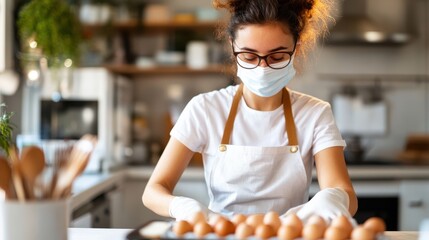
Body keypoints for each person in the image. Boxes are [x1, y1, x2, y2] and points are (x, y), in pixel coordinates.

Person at [142, 0, 358, 224]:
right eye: (249, 56)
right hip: (222, 234)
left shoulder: (315, 113)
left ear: (297, 48)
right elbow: (153, 190)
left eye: (276, 57)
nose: (262, 68)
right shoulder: (205, 109)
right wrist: (182, 206)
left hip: (290, 234)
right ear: (232, 46)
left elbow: (346, 194)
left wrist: (333, 198)